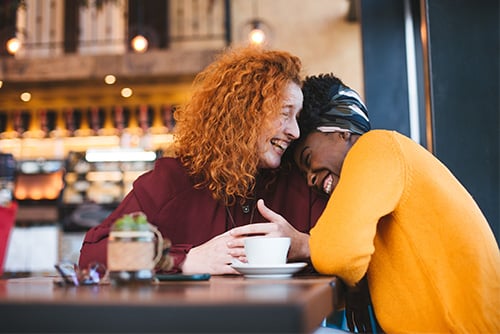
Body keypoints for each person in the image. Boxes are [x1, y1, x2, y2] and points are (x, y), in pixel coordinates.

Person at [78, 47, 327, 275]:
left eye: (297, 117)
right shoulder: (171, 181)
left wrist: (304, 245)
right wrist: (185, 260)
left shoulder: (299, 184)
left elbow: (355, 255)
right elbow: (94, 255)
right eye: (285, 114)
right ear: (244, 114)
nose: (295, 132)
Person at [293, 73, 500, 333]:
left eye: (308, 157)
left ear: (340, 132)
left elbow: (339, 255)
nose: (310, 178)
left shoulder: (376, 146)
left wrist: (302, 244)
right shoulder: (380, 167)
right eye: (304, 174)